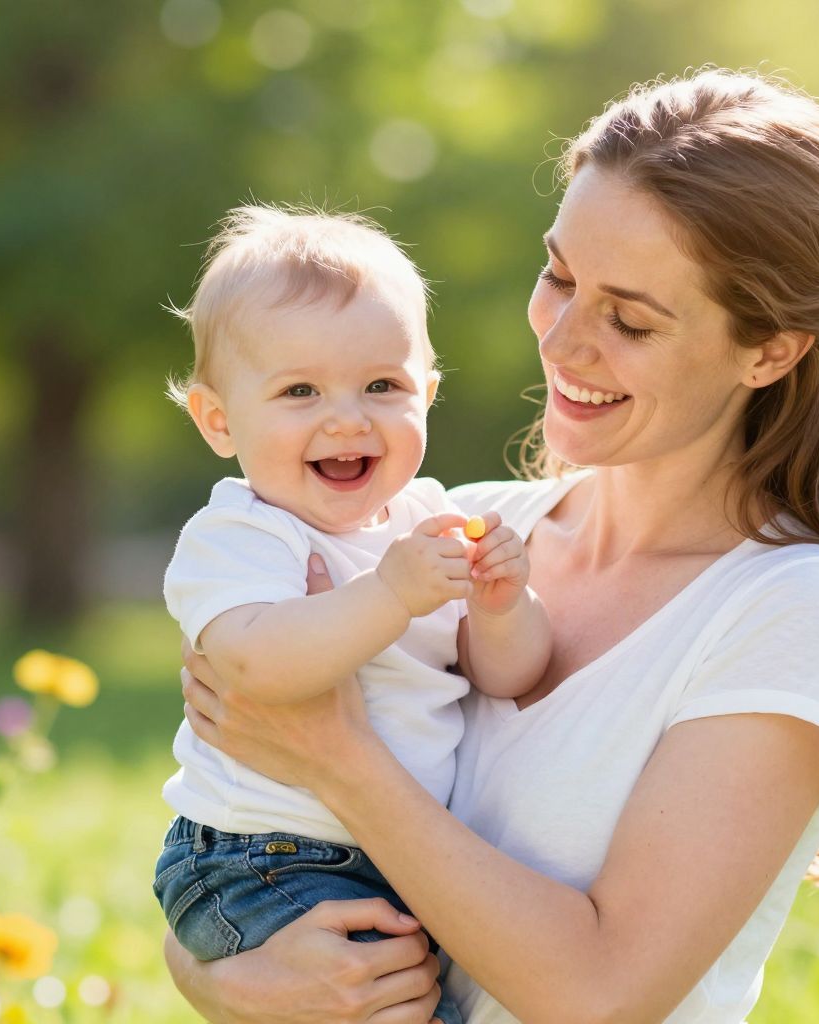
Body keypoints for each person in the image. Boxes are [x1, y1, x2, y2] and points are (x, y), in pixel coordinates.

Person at [161, 68, 819, 1023]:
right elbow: (232, 837)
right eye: (558, 277)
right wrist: (224, 978)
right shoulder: (456, 528)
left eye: (629, 320)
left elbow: (602, 994)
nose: (560, 341)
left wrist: (338, 759)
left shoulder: (793, 608)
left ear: (769, 350)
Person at [155, 206, 553, 1024]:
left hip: (398, 858)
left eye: (382, 386)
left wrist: (502, 606)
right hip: (260, 854)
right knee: (393, 1006)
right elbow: (256, 667)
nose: (347, 417)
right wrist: (391, 596)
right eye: (299, 391)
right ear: (219, 420)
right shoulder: (242, 533)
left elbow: (508, 676)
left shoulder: (429, 518)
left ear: (427, 395)